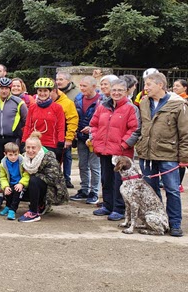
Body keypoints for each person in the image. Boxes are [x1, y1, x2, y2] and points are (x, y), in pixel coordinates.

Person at [135, 71, 187, 237]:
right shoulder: (144, 102)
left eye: (149, 85)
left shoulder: (178, 104)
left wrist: (184, 158)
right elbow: (141, 127)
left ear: (160, 85)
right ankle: (158, 221)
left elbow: (185, 133)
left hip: (168, 154)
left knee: (172, 190)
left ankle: (175, 223)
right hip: (147, 154)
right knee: (151, 190)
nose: (146, 88)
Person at [89, 78, 139, 222]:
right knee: (106, 179)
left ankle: (119, 208)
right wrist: (95, 139)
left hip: (121, 153)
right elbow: (94, 124)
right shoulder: (102, 106)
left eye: (120, 90)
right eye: (114, 90)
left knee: (120, 181)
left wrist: (123, 145)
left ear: (126, 91)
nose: (116, 93)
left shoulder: (131, 108)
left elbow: (135, 129)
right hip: (104, 150)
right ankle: (107, 205)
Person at [17, 132, 68, 222]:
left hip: (53, 188)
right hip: (38, 185)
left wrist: (34, 175)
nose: (30, 150)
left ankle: (33, 213)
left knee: (33, 180)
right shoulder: (25, 158)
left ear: (39, 148)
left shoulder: (48, 157)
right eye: (28, 147)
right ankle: (39, 205)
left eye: (33, 148)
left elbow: (53, 179)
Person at [70, 76, 102, 204]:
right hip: (81, 137)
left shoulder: (101, 100)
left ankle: (94, 192)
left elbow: (104, 120)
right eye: (81, 86)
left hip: (95, 137)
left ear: (94, 86)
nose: (82, 89)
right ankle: (84, 190)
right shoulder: (78, 99)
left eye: (85, 86)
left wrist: (93, 128)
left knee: (94, 166)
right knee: (82, 165)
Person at [21, 78, 65, 160]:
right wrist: (24, 141)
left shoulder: (57, 108)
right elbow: (28, 125)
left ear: (50, 92)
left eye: (45, 91)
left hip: (51, 144)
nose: (42, 93)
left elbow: (61, 127)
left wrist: (60, 143)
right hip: (34, 144)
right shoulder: (32, 107)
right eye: (40, 91)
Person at [0, 77, 27, 157]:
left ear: (10, 89)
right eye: (2, 88)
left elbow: (25, 119)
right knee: (1, 163)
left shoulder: (18, 102)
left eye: (6, 88)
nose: (4, 91)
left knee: (14, 161)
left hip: (13, 138)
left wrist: (18, 131)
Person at [53, 82, 79, 180]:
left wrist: (69, 138)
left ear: (54, 91)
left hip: (62, 137)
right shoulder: (40, 101)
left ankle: (66, 179)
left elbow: (73, 121)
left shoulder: (67, 103)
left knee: (64, 159)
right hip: (47, 138)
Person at [0, 142, 28, 220]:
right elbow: (3, 177)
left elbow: (27, 174)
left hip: (20, 183)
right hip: (10, 182)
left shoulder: (23, 161)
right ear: (5, 154)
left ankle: (12, 210)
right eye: (10, 155)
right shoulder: (3, 164)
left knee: (17, 192)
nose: (13, 157)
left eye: (15, 154)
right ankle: (8, 206)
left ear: (18, 153)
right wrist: (5, 186)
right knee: (8, 191)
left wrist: (21, 183)